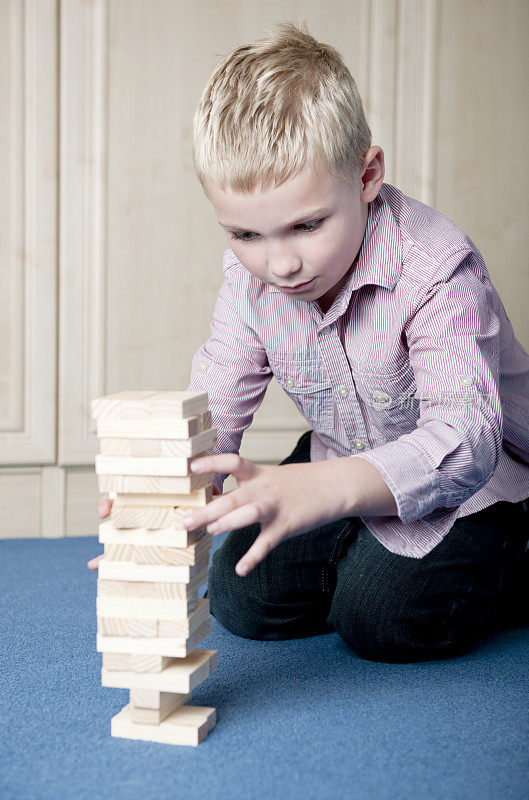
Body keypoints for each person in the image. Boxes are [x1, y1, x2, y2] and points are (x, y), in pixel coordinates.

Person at [88, 21, 529, 663]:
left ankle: (510, 558)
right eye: (245, 235)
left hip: (480, 484)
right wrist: (164, 495)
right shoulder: (252, 277)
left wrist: (323, 493)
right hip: (344, 451)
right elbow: (219, 392)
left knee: (380, 618)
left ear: (368, 175)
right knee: (240, 596)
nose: (280, 265)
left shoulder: (437, 268)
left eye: (306, 225)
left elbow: (466, 439)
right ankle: (361, 543)